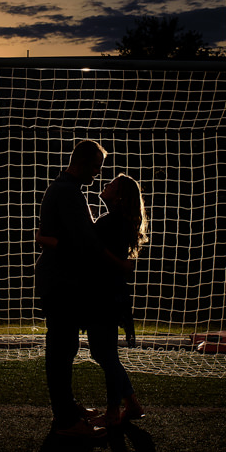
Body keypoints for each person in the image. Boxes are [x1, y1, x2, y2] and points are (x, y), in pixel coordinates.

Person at [37, 172, 148, 428]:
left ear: (118, 197)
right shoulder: (114, 221)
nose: (105, 184)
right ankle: (130, 403)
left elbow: (85, 247)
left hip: (103, 297)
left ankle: (113, 411)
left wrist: (44, 239)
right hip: (109, 294)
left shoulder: (111, 223)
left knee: (105, 354)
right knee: (104, 352)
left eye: (111, 185)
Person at [34, 139, 110, 439]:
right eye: (94, 167)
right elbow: (84, 241)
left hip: (61, 281)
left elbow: (71, 237)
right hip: (61, 283)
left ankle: (67, 408)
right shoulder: (67, 193)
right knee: (61, 350)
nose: (96, 173)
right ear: (79, 162)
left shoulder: (66, 190)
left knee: (64, 348)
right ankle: (65, 420)